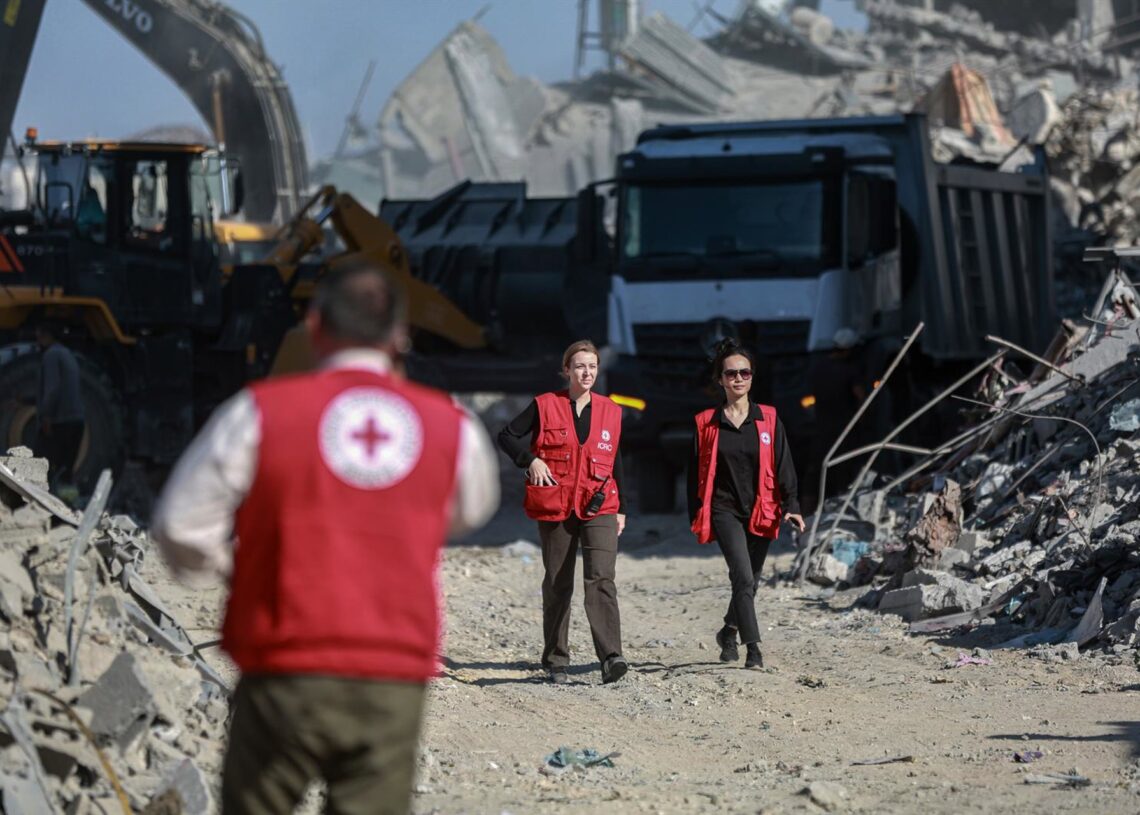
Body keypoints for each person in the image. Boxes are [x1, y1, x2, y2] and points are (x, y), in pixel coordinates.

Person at [151, 261, 499, 815]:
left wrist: (238, 568)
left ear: (314, 325)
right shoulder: (452, 425)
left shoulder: (259, 412)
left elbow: (179, 525)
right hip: (392, 674)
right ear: (401, 335)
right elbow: (469, 510)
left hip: (282, 662)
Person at [497, 340, 629, 685]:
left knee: (601, 578)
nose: (587, 373)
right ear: (567, 370)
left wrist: (622, 509)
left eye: (593, 367)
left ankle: (612, 657)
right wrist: (531, 460)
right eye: (580, 366)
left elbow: (616, 460)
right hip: (555, 504)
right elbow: (507, 436)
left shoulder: (611, 410)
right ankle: (556, 659)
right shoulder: (544, 405)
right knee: (558, 581)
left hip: (600, 503)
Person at [687, 339, 805, 669]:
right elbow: (692, 473)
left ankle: (728, 630)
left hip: (763, 508)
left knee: (750, 579)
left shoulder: (768, 419)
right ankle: (753, 649)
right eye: (731, 373)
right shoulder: (706, 424)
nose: (738, 378)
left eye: (744, 372)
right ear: (720, 380)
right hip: (724, 510)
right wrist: (695, 513)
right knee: (741, 575)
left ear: (752, 377)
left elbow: (784, 464)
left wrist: (792, 505)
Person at [807, 328, 867, 498]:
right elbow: (861, 397)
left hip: (822, 427)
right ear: (848, 349)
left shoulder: (819, 368)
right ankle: (842, 499)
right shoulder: (850, 370)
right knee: (845, 468)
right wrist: (863, 421)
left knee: (822, 470)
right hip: (845, 429)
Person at [35, 322, 85, 495]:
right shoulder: (67, 354)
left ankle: (45, 509)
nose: (37, 338)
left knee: (42, 467)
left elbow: (53, 389)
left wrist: (46, 417)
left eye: (39, 334)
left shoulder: (51, 355)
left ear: (47, 335)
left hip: (59, 422)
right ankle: (68, 509)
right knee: (66, 472)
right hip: (76, 421)